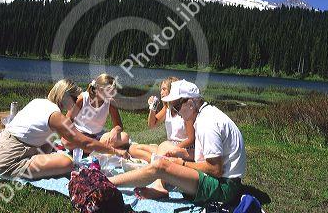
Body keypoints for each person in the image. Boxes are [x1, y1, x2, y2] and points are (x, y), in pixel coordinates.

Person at [109, 79, 246, 205]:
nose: (175, 111)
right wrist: (182, 152)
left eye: (176, 107)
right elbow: (208, 156)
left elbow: (215, 169)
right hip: (224, 181)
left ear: (190, 103)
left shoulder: (207, 124)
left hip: (224, 188)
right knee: (163, 163)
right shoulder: (206, 115)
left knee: (161, 167)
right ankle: (113, 182)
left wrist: (182, 163)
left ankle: (108, 183)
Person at [0, 79, 129, 180]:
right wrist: (115, 151)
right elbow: (86, 143)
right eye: (74, 98)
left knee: (49, 143)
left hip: (1, 147)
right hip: (9, 160)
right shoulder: (55, 116)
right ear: (65, 97)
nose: (76, 102)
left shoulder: (38, 101)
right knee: (67, 163)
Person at [129, 77, 195, 163]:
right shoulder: (167, 108)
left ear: (172, 90)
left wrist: (173, 149)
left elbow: (191, 139)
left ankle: (159, 161)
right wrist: (152, 108)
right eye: (161, 90)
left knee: (163, 147)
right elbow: (152, 125)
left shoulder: (185, 110)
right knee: (133, 148)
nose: (161, 92)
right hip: (168, 147)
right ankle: (159, 161)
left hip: (183, 149)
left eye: (164, 89)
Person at [62, 74, 130, 152]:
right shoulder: (83, 98)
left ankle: (90, 149)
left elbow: (118, 125)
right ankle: (99, 149)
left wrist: (115, 130)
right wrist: (76, 135)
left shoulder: (110, 102)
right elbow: (68, 119)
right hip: (79, 135)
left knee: (124, 137)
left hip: (97, 137)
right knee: (66, 142)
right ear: (98, 89)